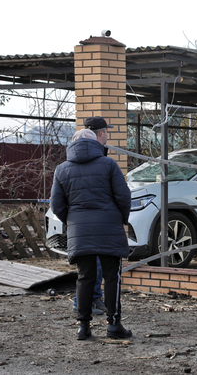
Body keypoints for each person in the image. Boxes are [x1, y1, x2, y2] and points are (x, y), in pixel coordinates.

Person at [50, 121, 132, 340]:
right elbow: (124, 197)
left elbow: (56, 205)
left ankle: (83, 327)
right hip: (109, 227)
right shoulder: (109, 165)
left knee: (85, 277)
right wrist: (121, 219)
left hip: (80, 232)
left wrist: (74, 222)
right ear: (95, 141)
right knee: (112, 277)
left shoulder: (62, 169)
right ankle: (114, 325)